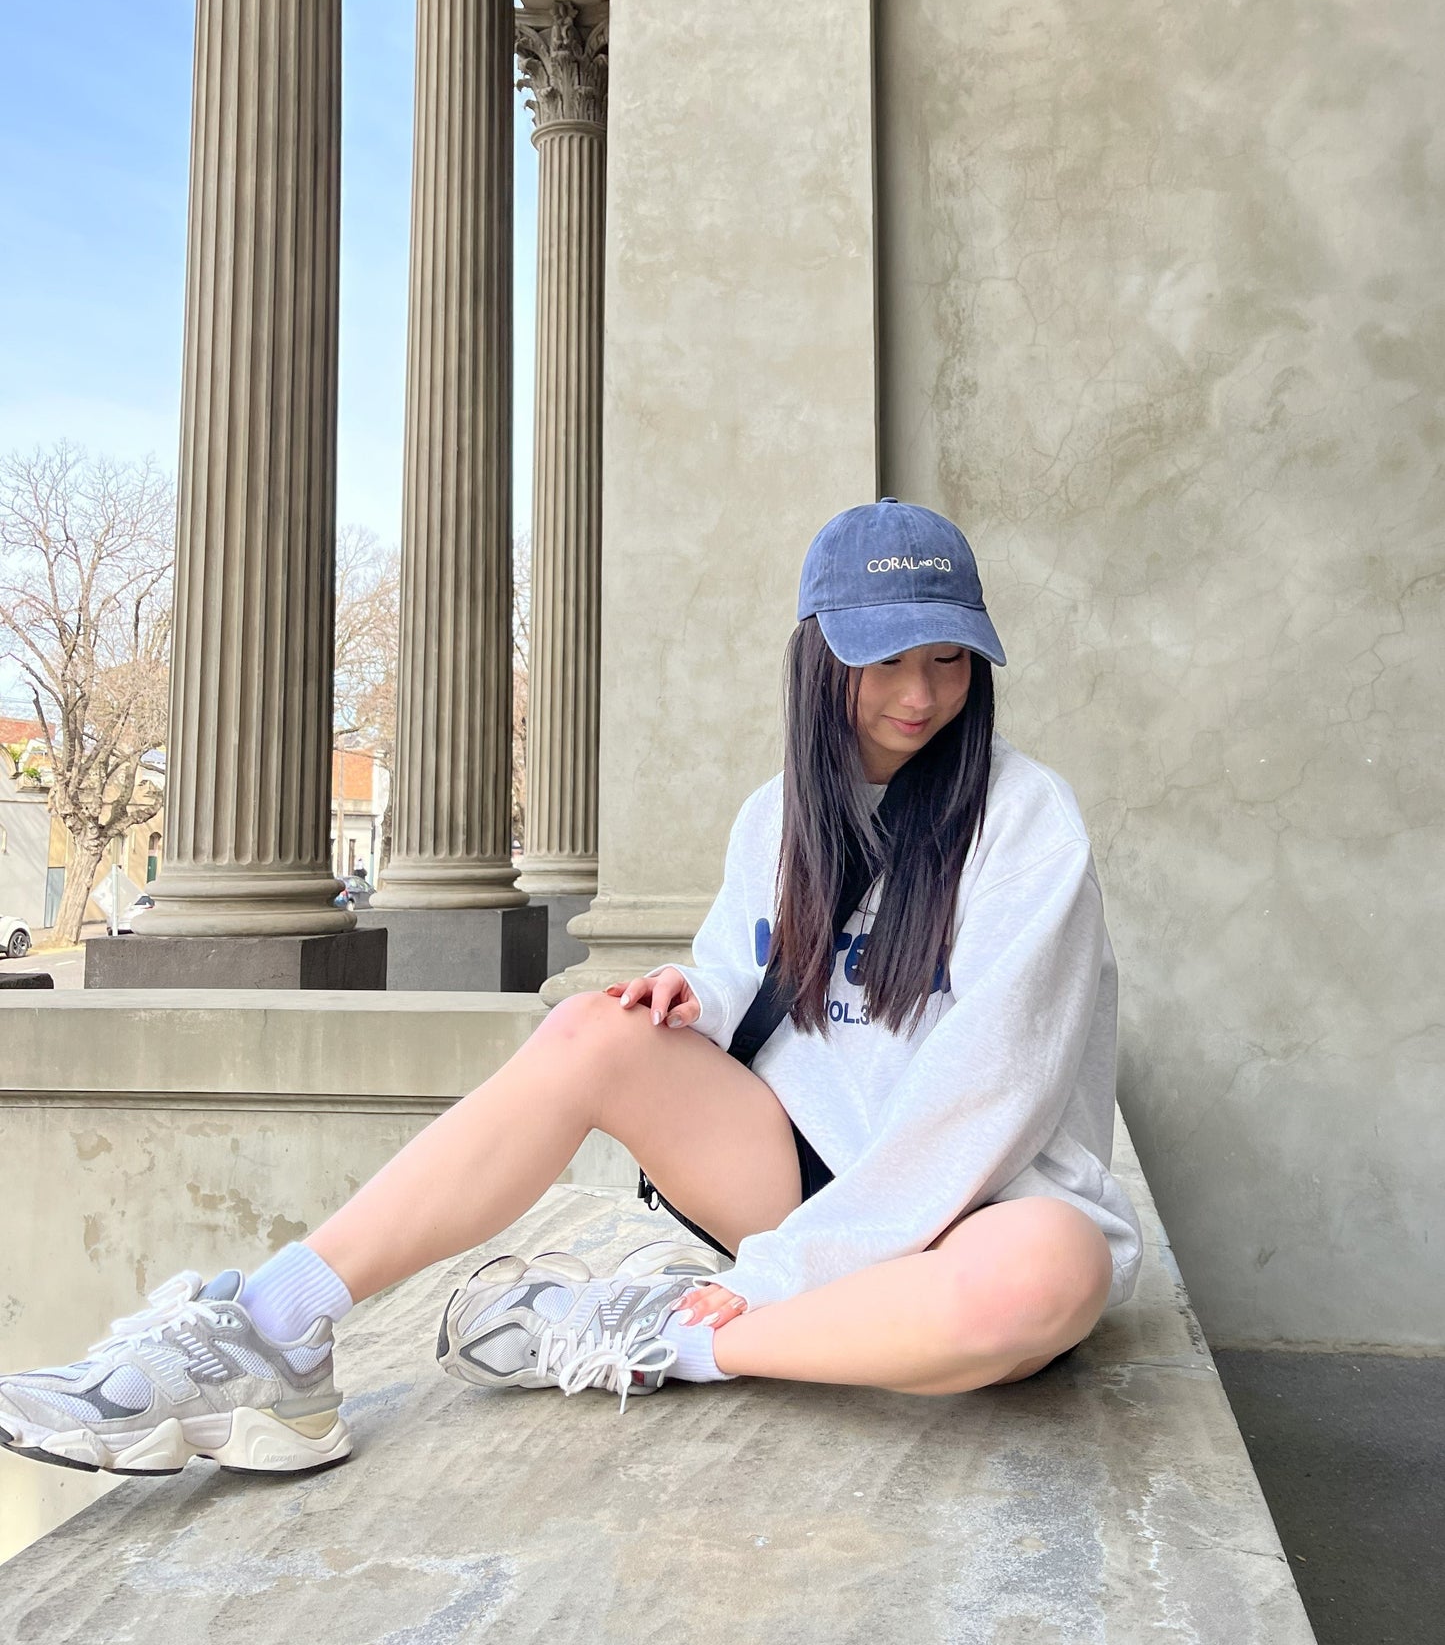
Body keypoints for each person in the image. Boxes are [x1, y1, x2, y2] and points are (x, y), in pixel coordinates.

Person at [0, 500, 1141, 1479]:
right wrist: (690, 991)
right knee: (593, 1029)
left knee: (1047, 1278)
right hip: (803, 1162)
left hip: (975, 1197)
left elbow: (992, 1084)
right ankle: (272, 1327)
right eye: (885, 658)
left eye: (947, 657)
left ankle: (647, 1334)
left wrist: (778, 1281)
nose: (920, 692)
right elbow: (754, 973)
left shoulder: (1024, 816)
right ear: (820, 654)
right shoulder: (776, 815)